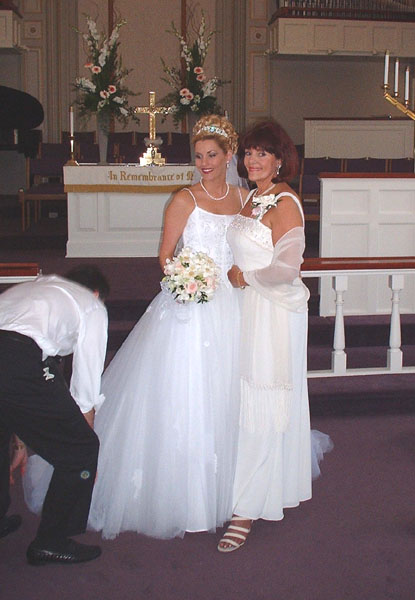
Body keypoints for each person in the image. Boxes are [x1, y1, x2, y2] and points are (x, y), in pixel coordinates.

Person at [85, 114, 249, 539]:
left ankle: (237, 489)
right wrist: (187, 280)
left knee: (231, 392)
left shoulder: (244, 198)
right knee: (187, 392)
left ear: (229, 155)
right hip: (190, 308)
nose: (205, 163)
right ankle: (187, 495)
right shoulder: (183, 199)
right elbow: (165, 255)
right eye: (198, 156)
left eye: (213, 155)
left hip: (234, 306)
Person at [218, 120, 332, 552]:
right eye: (248, 153)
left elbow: (287, 268)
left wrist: (244, 277)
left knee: (265, 398)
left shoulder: (284, 201)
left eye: (262, 153)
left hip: (273, 312)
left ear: (280, 159)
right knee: (248, 397)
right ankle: (259, 487)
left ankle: (246, 509)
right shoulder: (251, 198)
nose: (252, 160)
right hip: (246, 308)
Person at [0, 265, 110, 565]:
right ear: (97, 293)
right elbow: (85, 388)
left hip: (13, 358)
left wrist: (21, 443)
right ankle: (51, 541)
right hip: (18, 360)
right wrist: (85, 450)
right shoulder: (91, 305)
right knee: (81, 450)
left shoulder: (30, 288)